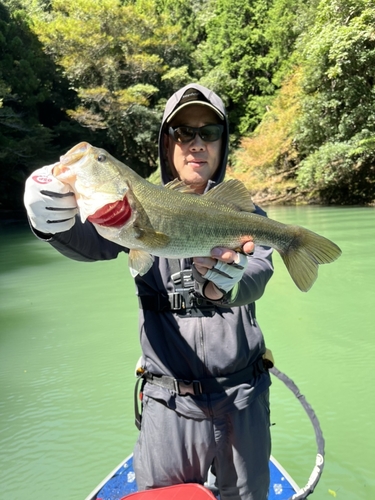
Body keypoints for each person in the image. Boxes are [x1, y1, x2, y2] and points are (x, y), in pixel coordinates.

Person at [23, 84, 274, 500]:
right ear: (166, 142)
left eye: (209, 132)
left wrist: (228, 287)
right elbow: (91, 241)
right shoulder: (132, 207)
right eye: (183, 133)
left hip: (242, 398)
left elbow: (259, 269)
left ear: (222, 143)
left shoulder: (243, 213)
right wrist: (49, 223)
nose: (196, 144)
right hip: (167, 403)